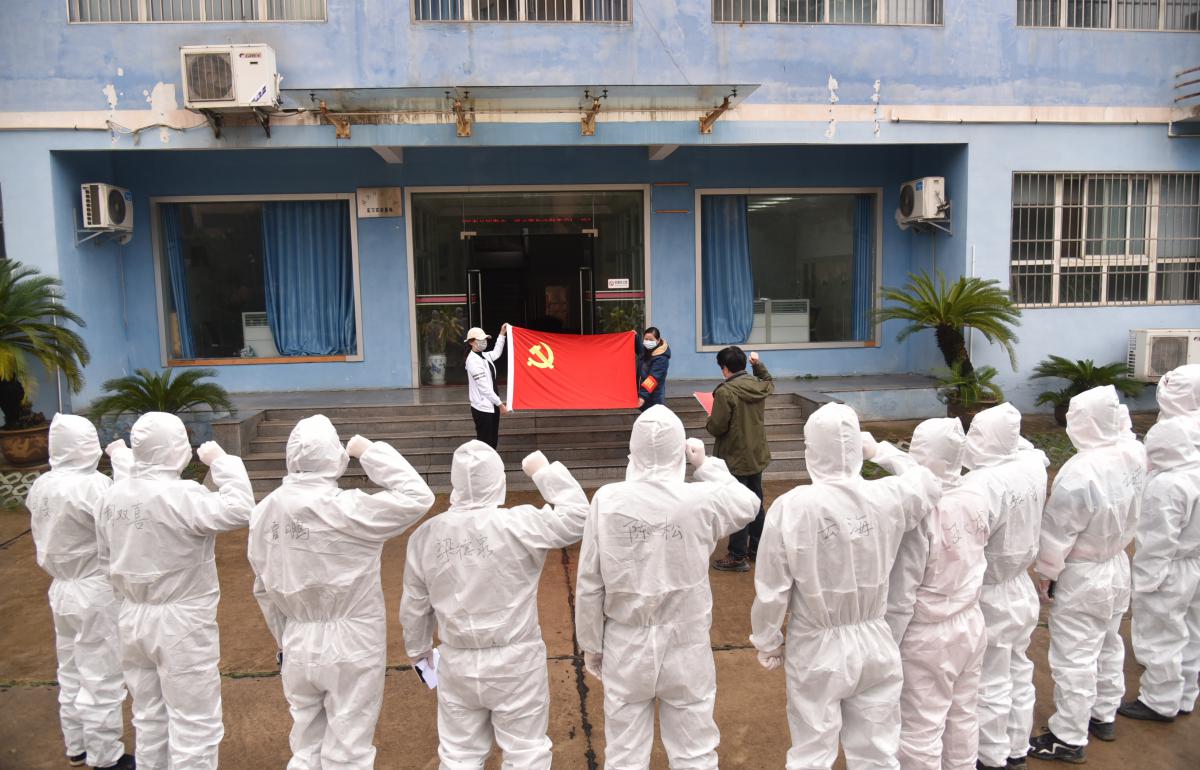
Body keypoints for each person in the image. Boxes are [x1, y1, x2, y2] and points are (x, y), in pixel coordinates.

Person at [750, 403, 942, 770]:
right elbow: (929, 481)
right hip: (876, 640)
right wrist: (881, 451)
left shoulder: (793, 507)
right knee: (877, 750)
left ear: (810, 449)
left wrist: (768, 639)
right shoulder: (889, 496)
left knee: (812, 750)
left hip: (817, 646)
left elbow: (772, 588)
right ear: (856, 447)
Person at [575, 405, 760, 769]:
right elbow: (748, 503)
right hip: (686, 644)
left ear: (634, 450)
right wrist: (705, 465)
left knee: (625, 753)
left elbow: (589, 582)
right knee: (694, 751)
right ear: (679, 451)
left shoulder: (608, 500)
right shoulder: (701, 499)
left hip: (626, 643)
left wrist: (591, 644)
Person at [247, 415, 435, 770]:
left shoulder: (263, 512)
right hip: (352, 640)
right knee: (349, 748)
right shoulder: (347, 507)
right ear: (333, 454)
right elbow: (417, 496)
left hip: (297, 636)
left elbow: (263, 589)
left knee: (306, 745)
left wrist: (284, 641)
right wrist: (370, 452)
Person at [400, 440, 589, 770]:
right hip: (515, 661)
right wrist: (543, 471)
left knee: (459, 755)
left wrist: (419, 652)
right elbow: (578, 516)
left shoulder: (427, 535)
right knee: (525, 752)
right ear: (498, 480)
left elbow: (415, 604)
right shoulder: (519, 524)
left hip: (457, 659)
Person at [97, 412, 255, 770]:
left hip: (132, 615)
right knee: (194, 721)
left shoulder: (112, 496)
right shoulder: (184, 495)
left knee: (148, 714)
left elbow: (105, 558)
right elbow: (241, 509)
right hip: (180, 622)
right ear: (174, 447)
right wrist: (223, 463)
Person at [1029, 385, 1148, 763]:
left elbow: (1058, 531)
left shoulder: (1080, 471)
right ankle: (1103, 713)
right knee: (1109, 641)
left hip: (1083, 574)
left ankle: (1068, 736)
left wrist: (1046, 573)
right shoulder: (1133, 451)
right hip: (1117, 563)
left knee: (1075, 656)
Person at [868, 419, 990, 770]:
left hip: (927, 635)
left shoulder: (920, 513)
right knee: (963, 712)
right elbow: (926, 474)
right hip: (970, 621)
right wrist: (880, 451)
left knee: (920, 727)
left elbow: (901, 595)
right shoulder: (975, 494)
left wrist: (888, 645)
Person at [25, 415, 133, 770]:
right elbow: (122, 517)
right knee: (101, 673)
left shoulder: (42, 485)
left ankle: (77, 745)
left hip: (61, 588)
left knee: (70, 669)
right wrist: (123, 462)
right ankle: (106, 756)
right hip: (94, 589)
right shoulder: (94, 486)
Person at [959, 403, 1049, 770]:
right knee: (1018, 670)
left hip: (989, 592)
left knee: (990, 680)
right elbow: (1026, 447)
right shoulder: (1031, 466)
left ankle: (991, 756)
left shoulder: (978, 486)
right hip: (1020, 586)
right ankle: (1016, 747)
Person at [1119, 416, 1200, 723]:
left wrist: (1145, 582)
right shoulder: (1194, 471)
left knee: (1161, 635)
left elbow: (1157, 540)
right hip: (1194, 562)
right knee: (1191, 631)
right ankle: (1185, 694)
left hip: (1170, 567)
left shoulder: (1167, 485)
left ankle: (1159, 701)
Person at [707, 346, 774, 572]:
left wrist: (710, 419)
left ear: (725, 368)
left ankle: (737, 555)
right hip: (756, 453)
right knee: (756, 502)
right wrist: (758, 365)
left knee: (737, 505)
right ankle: (757, 548)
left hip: (735, 456)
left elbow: (717, 427)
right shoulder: (758, 385)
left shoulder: (725, 392)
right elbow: (768, 380)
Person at [465, 324, 509, 449]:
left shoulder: (484, 356)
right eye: (480, 340)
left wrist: (502, 334)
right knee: (485, 443)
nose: (483, 342)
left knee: (493, 440)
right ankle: (483, 462)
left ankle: (492, 461)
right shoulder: (473, 361)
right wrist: (500, 404)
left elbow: (496, 353)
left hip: (492, 405)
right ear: (471, 342)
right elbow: (483, 387)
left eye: (484, 339)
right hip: (482, 408)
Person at [636, 326, 670, 411]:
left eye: (651, 340)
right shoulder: (646, 350)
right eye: (646, 339)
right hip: (644, 394)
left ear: (658, 340)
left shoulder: (661, 358)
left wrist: (642, 396)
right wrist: (635, 337)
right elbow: (640, 348)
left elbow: (653, 378)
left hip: (654, 398)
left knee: (654, 417)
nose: (648, 342)